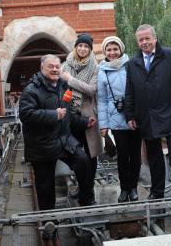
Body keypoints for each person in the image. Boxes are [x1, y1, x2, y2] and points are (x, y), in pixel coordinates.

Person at [124, 24, 171, 203]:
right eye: (141, 39)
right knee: (154, 156)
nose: (144, 42)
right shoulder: (132, 63)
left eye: (147, 38)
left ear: (155, 38)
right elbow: (129, 92)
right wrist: (130, 115)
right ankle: (157, 192)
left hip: (169, 112)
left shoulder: (170, 56)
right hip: (145, 116)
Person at [19, 54, 95, 210]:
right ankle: (49, 221)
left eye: (57, 66)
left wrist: (84, 122)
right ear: (42, 68)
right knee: (45, 186)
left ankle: (85, 199)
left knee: (83, 162)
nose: (54, 69)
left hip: (64, 140)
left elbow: (67, 114)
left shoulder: (62, 85)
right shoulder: (32, 89)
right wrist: (53, 115)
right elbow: (26, 115)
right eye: (50, 66)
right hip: (42, 144)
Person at [97, 36, 142, 202]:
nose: (112, 52)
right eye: (109, 49)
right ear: (105, 52)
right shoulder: (101, 71)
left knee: (135, 154)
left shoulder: (131, 65)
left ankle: (133, 188)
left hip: (134, 116)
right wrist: (104, 125)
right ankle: (124, 189)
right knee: (122, 155)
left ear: (121, 49)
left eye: (115, 49)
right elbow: (101, 100)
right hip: (115, 117)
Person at [61, 33, 103, 201]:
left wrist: (70, 80)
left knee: (91, 155)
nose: (83, 49)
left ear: (90, 49)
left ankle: (89, 191)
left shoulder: (95, 67)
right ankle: (81, 187)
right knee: (76, 154)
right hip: (70, 115)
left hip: (88, 116)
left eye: (86, 46)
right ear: (76, 47)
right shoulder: (66, 64)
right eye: (80, 46)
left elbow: (91, 89)